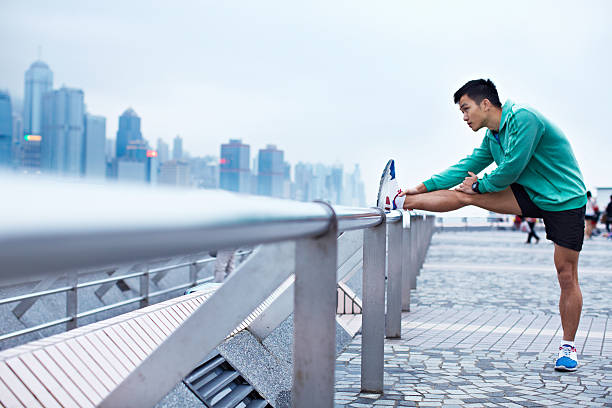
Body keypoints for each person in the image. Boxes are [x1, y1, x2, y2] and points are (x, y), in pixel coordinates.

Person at [378, 79, 587, 372]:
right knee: (465, 195)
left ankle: (568, 347)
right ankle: (398, 201)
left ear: (485, 104)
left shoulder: (524, 119)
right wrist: (421, 187)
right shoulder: (493, 137)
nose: (464, 117)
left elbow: (512, 167)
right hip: (530, 193)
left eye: (466, 109)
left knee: (566, 275)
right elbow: (466, 167)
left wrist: (480, 185)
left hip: (565, 199)